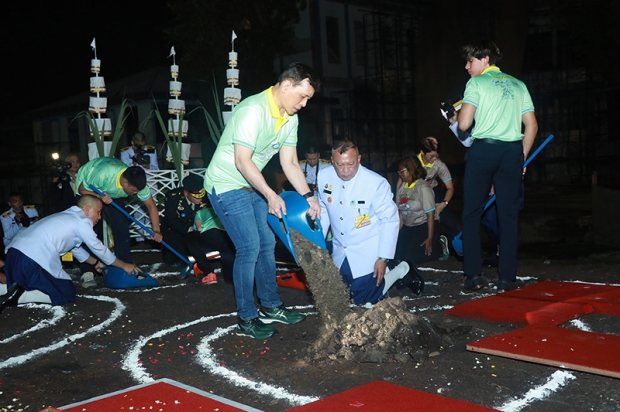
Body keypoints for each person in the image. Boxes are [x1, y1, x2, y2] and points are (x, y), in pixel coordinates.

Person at [204, 62, 321, 339]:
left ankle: (270, 306)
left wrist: (308, 196)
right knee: (249, 246)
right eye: (302, 96)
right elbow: (242, 161)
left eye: (308, 99)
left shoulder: (290, 119)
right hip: (225, 184)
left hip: (252, 185)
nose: (304, 104)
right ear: (287, 85)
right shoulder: (252, 110)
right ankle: (246, 318)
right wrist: (270, 193)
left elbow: (290, 162)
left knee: (267, 243)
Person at [456, 39, 538, 292]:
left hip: (484, 150)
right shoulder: (519, 84)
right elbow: (532, 126)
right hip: (512, 152)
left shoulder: (476, 83)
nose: (467, 67)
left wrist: (456, 114)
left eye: (471, 61)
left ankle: (473, 276)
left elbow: (464, 125)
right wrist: (521, 158)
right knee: (509, 216)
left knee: (471, 213)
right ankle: (506, 279)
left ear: (485, 60)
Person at [0, 195, 140, 313]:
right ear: (87, 209)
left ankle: (11, 290)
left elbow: (75, 249)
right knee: (65, 293)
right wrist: (123, 265)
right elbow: (98, 248)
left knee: (19, 282)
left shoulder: (66, 217)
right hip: (32, 259)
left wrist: (97, 263)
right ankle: (19, 295)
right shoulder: (82, 221)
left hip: (14, 255)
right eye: (98, 212)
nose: (99, 216)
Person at [317, 140, 414, 306]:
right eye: (340, 165)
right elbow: (324, 209)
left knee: (366, 304)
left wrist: (383, 258)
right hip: (340, 252)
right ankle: (397, 272)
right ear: (332, 161)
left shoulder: (375, 183)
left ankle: (395, 272)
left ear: (359, 159)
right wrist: (317, 243)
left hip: (368, 253)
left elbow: (390, 221)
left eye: (351, 164)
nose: (345, 170)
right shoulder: (323, 176)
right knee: (342, 301)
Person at [75, 157, 163, 265]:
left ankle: (124, 265)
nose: (136, 193)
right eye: (134, 190)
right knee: (88, 229)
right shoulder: (102, 174)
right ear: (125, 183)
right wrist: (99, 196)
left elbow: (151, 206)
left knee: (122, 228)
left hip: (112, 192)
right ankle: (88, 270)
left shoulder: (137, 184)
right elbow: (81, 189)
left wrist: (156, 230)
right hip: (89, 189)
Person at [394, 156, 449, 265]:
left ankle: (438, 245)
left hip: (423, 224)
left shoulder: (423, 188)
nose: (400, 174)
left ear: (411, 170)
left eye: (402, 171)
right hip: (408, 226)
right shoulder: (402, 188)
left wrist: (430, 238)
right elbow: (401, 213)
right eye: (399, 172)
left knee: (411, 258)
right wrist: (396, 234)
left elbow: (430, 215)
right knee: (397, 256)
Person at [416, 136, 459, 251]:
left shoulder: (439, 165)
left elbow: (450, 188)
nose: (434, 159)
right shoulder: (413, 162)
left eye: (436, 156)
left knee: (448, 220)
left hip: (433, 192)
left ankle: (458, 247)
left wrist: (443, 204)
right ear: (422, 152)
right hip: (415, 194)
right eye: (431, 156)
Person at [185, 200, 235, 285]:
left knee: (190, 238)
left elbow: (199, 228)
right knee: (226, 251)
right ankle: (230, 278)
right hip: (228, 235)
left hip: (211, 233)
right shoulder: (226, 209)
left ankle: (209, 272)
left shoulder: (201, 212)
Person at [161, 174, 204, 267]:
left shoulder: (206, 196)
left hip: (197, 228)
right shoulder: (173, 198)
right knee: (175, 260)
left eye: (201, 196)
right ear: (185, 193)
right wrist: (189, 229)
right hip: (175, 230)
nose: (200, 199)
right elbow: (170, 220)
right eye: (196, 197)